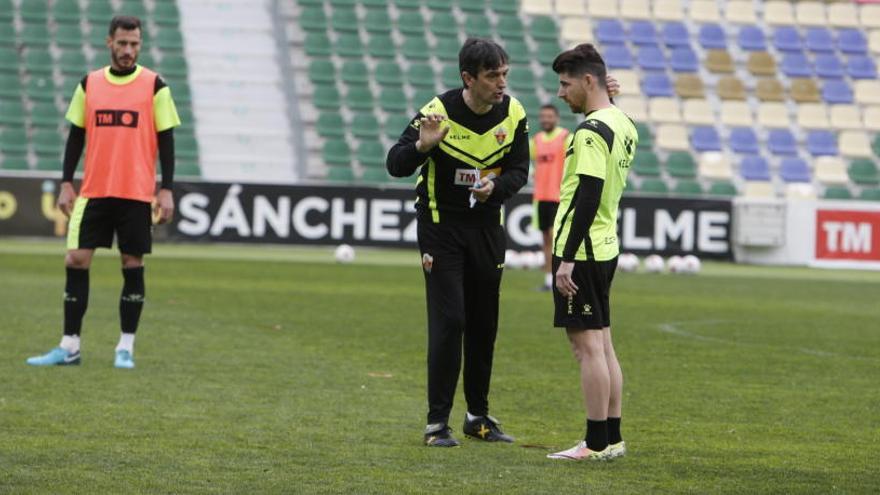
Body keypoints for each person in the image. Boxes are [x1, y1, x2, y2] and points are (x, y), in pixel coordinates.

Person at [386, 38, 528, 447]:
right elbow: (395, 163)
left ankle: (477, 418)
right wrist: (422, 146)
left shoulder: (513, 112)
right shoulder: (437, 112)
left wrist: (496, 186)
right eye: (492, 76)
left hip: (487, 230)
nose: (501, 83)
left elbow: (519, 170)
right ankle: (436, 424)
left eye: (504, 74)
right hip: (440, 228)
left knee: (484, 324)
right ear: (468, 78)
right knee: (451, 321)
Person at [26, 15, 181, 369]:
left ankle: (125, 346)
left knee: (132, 263)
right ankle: (69, 346)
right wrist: (67, 182)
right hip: (94, 191)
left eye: (135, 44)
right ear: (109, 42)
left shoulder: (155, 85)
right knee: (75, 260)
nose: (129, 50)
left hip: (137, 193)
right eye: (123, 43)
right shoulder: (90, 83)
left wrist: (167, 189)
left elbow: (167, 139)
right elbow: (76, 133)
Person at [544, 44, 638, 461]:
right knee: (603, 345)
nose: (561, 93)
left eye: (565, 84)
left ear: (587, 81)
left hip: (580, 250)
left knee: (587, 349)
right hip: (605, 245)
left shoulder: (588, 132)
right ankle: (612, 438)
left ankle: (595, 443)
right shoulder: (623, 121)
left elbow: (589, 191)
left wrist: (566, 260)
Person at [529, 104, 569, 291]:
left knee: (556, 240)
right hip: (541, 197)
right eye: (543, 116)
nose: (546, 119)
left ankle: (561, 277)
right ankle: (548, 280)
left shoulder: (565, 138)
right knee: (546, 239)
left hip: (558, 198)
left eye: (549, 116)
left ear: (556, 118)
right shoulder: (536, 141)